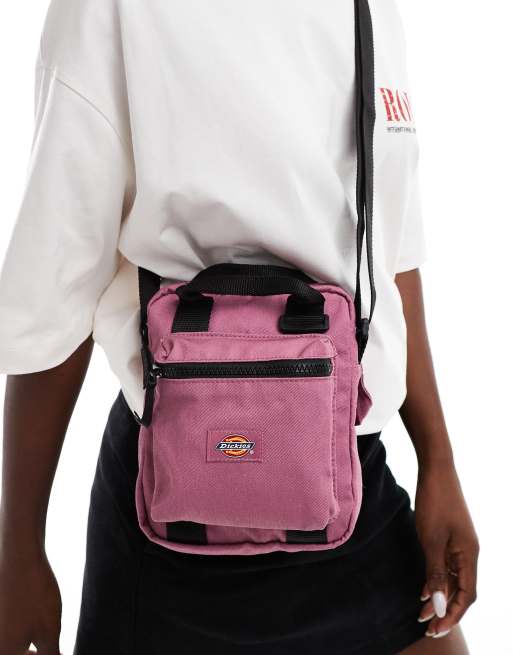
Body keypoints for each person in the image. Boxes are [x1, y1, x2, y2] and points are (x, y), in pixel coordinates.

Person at [0, 1, 479, 654]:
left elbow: (389, 255)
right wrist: (19, 548)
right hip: (171, 516)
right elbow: (53, 290)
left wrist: (439, 464)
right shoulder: (110, 9)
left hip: (350, 477)